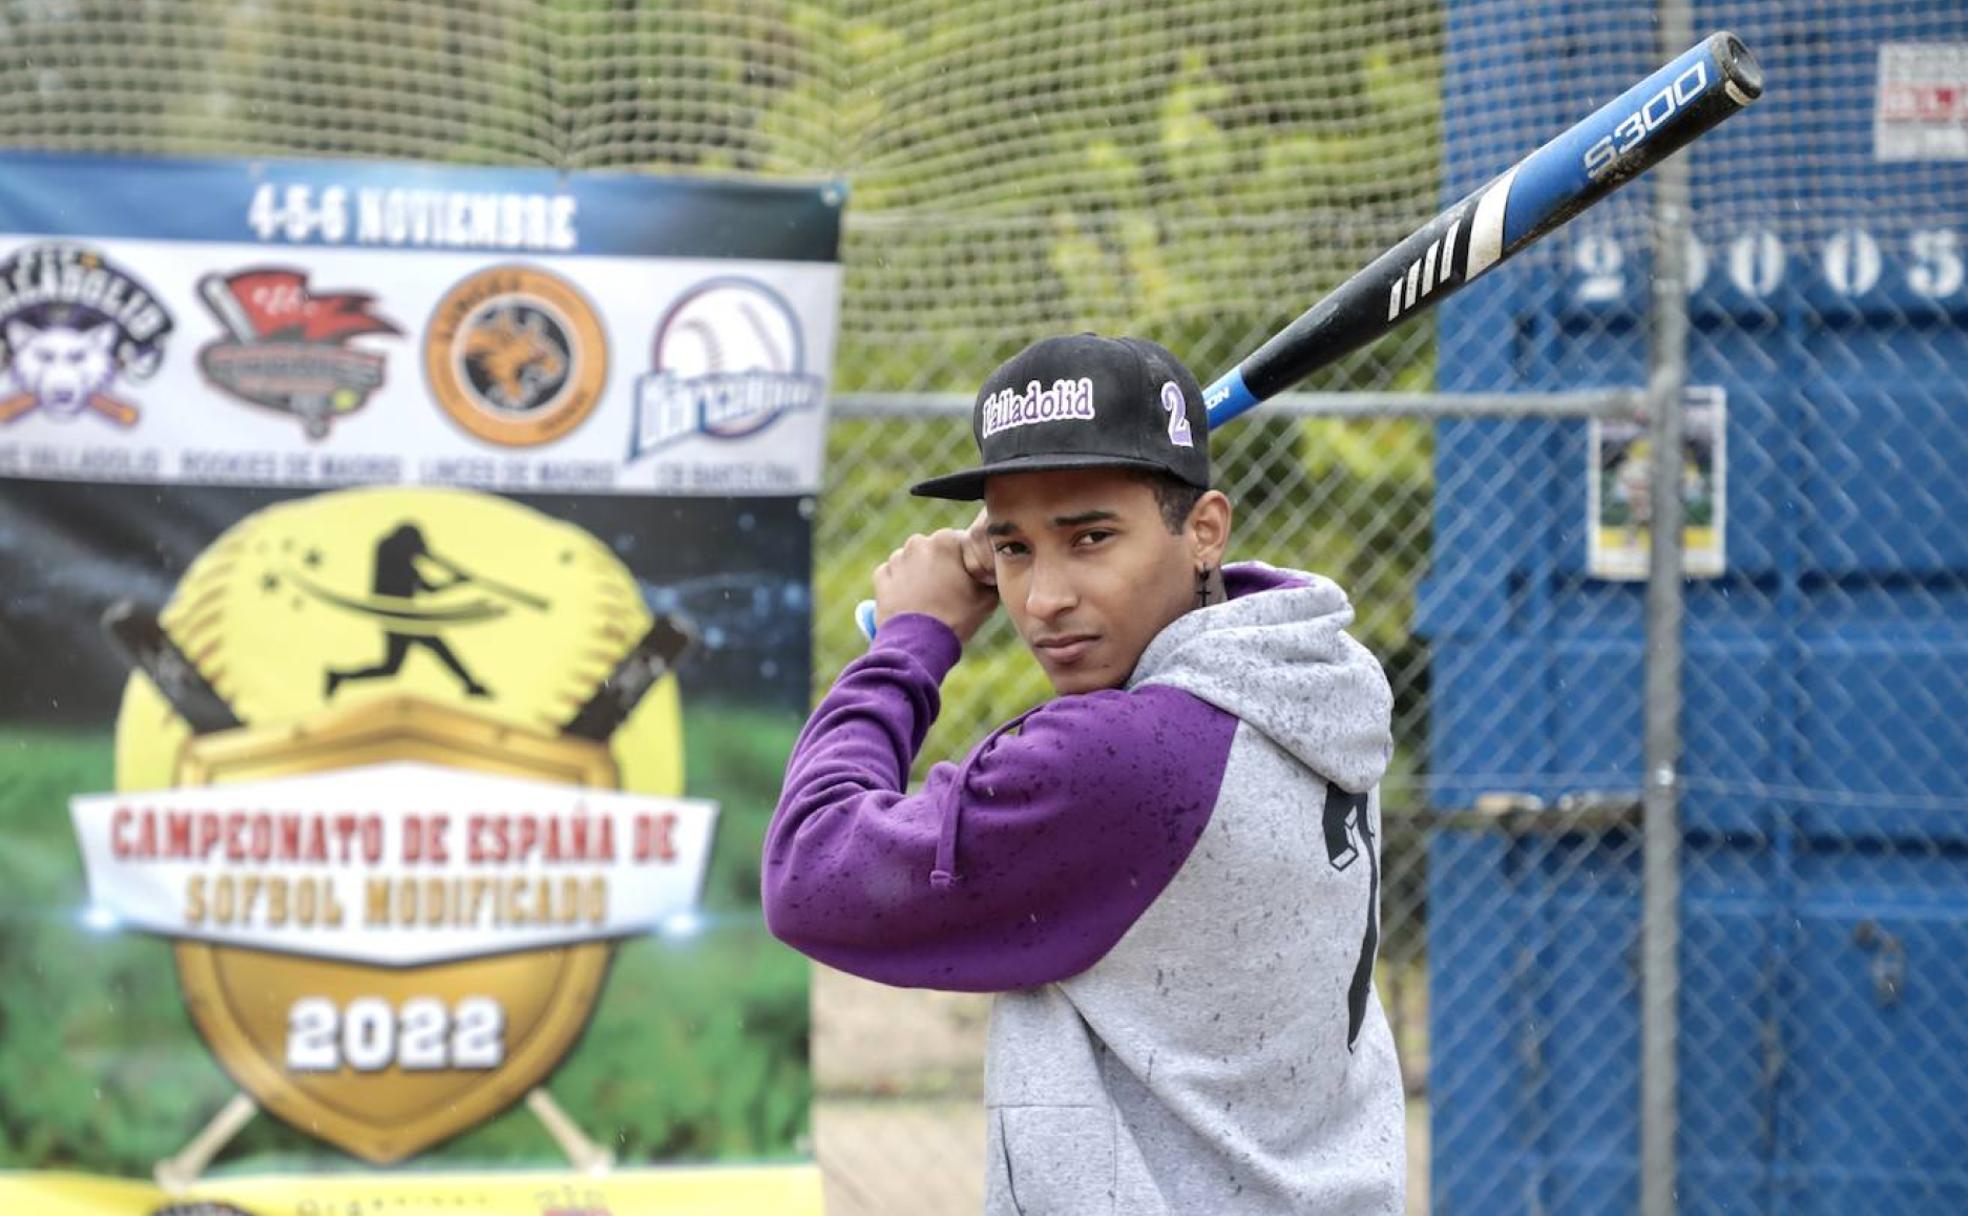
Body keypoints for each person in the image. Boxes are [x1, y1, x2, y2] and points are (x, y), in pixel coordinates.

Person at [764, 333, 1404, 1214]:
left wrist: (911, 643)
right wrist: (1060, 538)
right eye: (1017, 547)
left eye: (1092, 537)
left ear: (1204, 530)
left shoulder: (1120, 761)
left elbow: (809, 870)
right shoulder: (1315, 680)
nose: (1044, 599)